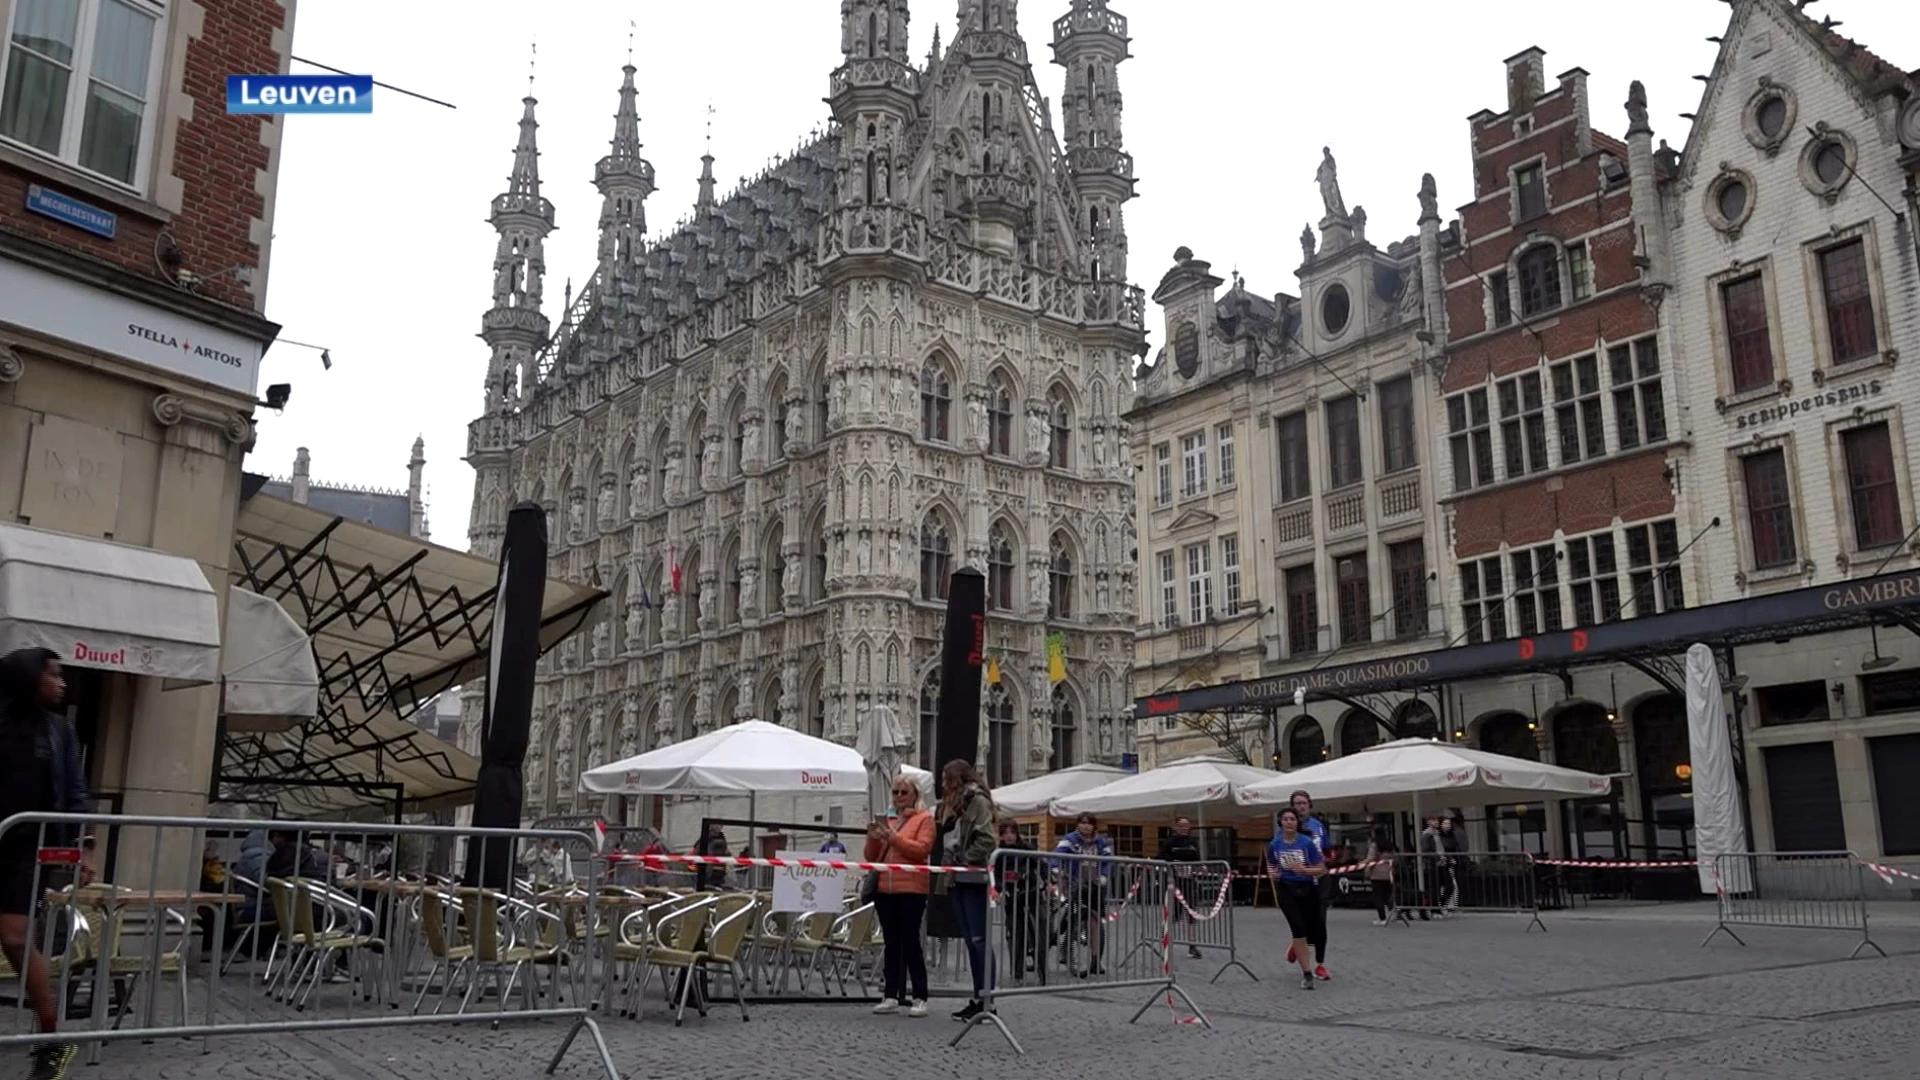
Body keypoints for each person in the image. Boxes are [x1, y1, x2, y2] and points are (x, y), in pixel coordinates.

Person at [0, 648, 91, 1078]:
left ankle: (51, 1036)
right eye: (53, 675)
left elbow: (74, 794)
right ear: (29, 678)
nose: (62, 683)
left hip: (24, 849)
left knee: (16, 939)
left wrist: (82, 847)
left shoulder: (59, 732)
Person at [865, 776, 933, 1018]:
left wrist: (893, 838)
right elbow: (871, 856)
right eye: (895, 792)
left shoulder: (924, 819)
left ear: (915, 794)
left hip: (912, 889)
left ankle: (920, 996)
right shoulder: (889, 820)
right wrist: (874, 836)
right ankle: (891, 994)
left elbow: (921, 850)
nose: (899, 796)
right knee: (891, 942)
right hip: (886, 888)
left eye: (904, 792)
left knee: (910, 941)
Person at [935, 759, 996, 1021]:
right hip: (956, 879)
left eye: (946, 778)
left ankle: (987, 1000)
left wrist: (965, 859)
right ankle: (977, 997)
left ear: (956, 779)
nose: (942, 783)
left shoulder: (978, 801)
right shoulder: (954, 805)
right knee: (972, 941)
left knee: (979, 940)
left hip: (972, 878)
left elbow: (987, 839)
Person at [1266, 807, 1327, 991]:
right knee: (1298, 928)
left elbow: (1321, 868)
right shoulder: (1275, 845)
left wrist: (1304, 870)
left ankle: (1304, 955)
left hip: (1308, 888)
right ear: (1281, 823)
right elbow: (1272, 864)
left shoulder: (1307, 843)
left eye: (1292, 819)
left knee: (1313, 927)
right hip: (1286, 889)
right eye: (1285, 819)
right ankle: (1307, 973)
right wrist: (1273, 873)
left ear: (1297, 823)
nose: (1289, 822)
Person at [1051, 811, 1114, 977]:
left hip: (1095, 885)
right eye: (1082, 823)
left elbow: (1107, 860)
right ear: (1077, 824)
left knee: (1094, 922)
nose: (1086, 826)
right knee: (1073, 914)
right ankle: (1060, 937)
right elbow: (1057, 854)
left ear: (1094, 826)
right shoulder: (1070, 839)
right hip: (1074, 883)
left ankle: (1095, 960)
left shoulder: (1101, 842)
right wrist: (1056, 868)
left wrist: (1104, 876)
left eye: (1089, 823)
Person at [1285, 790, 1334, 979]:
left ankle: (1320, 964)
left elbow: (1328, 849)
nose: (1301, 806)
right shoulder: (1287, 827)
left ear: (1309, 805)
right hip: (1298, 880)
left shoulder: (1318, 826)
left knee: (1320, 920)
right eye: (1297, 803)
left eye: (1304, 803)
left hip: (1319, 878)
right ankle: (1298, 942)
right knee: (1302, 921)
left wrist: (1328, 858)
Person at [991, 819, 1040, 984]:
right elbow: (995, 875)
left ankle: (1040, 959)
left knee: (1041, 926)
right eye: (1005, 833)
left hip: (1031, 892)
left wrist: (1048, 881)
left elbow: (1040, 864)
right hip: (1012, 896)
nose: (1009, 836)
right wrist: (999, 889)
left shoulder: (1026, 848)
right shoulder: (998, 854)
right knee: (1015, 932)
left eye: (1012, 832)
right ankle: (1017, 972)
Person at [1156, 815, 1204, 960]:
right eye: (1181, 825)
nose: (1184, 828)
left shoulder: (1192, 842)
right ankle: (1165, 943)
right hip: (1174, 883)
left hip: (1189, 882)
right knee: (1172, 915)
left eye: (1186, 825)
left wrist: (1199, 868)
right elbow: (1160, 857)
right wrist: (1174, 862)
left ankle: (1192, 945)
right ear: (1175, 827)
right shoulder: (1169, 842)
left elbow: (1197, 859)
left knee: (1191, 913)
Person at [1364, 826, 1397, 925]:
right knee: (1387, 895)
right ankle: (1393, 913)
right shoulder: (1390, 844)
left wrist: (1363, 864)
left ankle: (1382, 918)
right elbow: (1395, 857)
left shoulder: (1375, 845)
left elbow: (1371, 858)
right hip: (1389, 872)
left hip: (1377, 873)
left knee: (1378, 897)